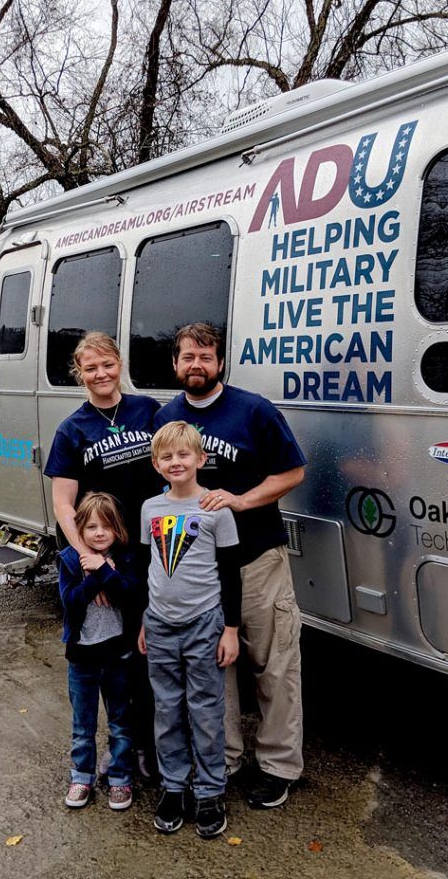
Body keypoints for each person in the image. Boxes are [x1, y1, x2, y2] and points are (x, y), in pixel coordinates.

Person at [154, 323, 307, 810]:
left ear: (220, 362)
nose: (195, 364)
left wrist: (242, 501)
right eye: (186, 357)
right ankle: (223, 759)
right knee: (211, 668)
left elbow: (293, 472)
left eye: (205, 355)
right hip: (197, 572)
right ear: (175, 364)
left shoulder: (254, 410)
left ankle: (280, 766)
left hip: (256, 558)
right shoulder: (168, 418)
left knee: (273, 663)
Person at [44, 332, 160, 775]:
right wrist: (90, 559)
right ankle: (123, 756)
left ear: (119, 364)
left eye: (107, 364)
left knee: (150, 651)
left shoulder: (147, 411)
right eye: (90, 368)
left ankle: (150, 747)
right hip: (107, 554)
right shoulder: (73, 429)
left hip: (150, 548)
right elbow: (62, 504)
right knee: (118, 655)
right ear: (80, 374)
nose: (101, 374)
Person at [138, 421, 241, 839]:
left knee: (206, 711)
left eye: (184, 455)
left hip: (205, 623)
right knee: (166, 710)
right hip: (160, 624)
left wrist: (230, 629)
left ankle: (210, 791)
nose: (176, 462)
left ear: (200, 459)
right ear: (157, 465)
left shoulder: (217, 509)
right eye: (167, 457)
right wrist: (146, 618)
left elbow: (232, 574)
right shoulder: (150, 508)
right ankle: (174, 787)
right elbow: (149, 566)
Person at [58, 492, 142, 810]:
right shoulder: (68, 560)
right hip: (82, 659)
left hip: (117, 656)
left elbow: (130, 593)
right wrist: (94, 574)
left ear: (117, 529)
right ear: (80, 530)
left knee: (121, 720)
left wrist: (107, 571)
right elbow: (72, 600)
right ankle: (81, 777)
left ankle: (120, 779)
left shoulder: (125, 560)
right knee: (83, 725)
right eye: (91, 526)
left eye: (107, 526)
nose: (99, 533)